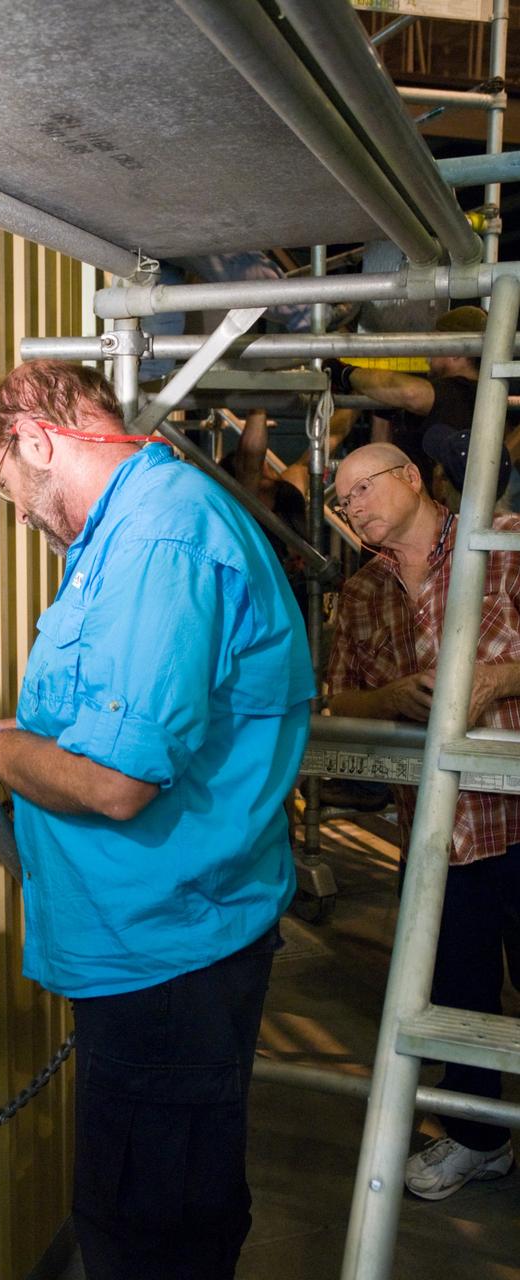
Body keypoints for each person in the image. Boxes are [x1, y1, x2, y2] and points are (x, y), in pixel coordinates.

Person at [0, 360, 314, 1277]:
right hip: (170, 939)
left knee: (141, 1234)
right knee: (174, 1213)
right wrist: (7, 738)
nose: (16, 511)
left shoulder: (160, 538)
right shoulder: (133, 533)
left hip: (169, 954)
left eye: (6, 484)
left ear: (40, 442)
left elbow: (117, 784)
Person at [326, 441, 520, 1201]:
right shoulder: (366, 590)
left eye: (362, 489)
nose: (353, 508)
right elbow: (342, 697)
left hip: (515, 811)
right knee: (456, 991)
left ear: (410, 476)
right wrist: (393, 698)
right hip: (442, 827)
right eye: (343, 502)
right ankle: (480, 1140)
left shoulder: (501, 543)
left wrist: (498, 678)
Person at [325, 305, 488, 488]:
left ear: (456, 351)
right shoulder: (445, 392)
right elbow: (383, 434)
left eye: (436, 344)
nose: (428, 355)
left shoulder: (464, 392)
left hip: (442, 504)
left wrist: (344, 372)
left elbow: (410, 393)